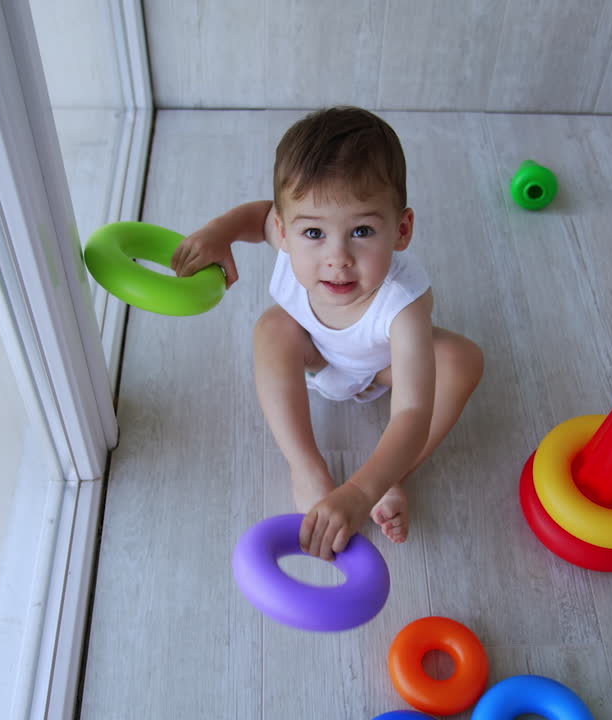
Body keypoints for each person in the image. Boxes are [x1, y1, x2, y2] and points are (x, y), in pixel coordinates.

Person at [171, 106, 484, 561]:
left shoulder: (405, 304)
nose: (337, 257)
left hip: (380, 368)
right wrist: (218, 232)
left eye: (361, 231)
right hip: (315, 356)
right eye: (314, 232)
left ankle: (391, 478)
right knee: (273, 327)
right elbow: (258, 215)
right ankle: (305, 465)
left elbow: (413, 411)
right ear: (285, 230)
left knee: (463, 361)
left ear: (401, 230)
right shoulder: (289, 235)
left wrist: (359, 490)